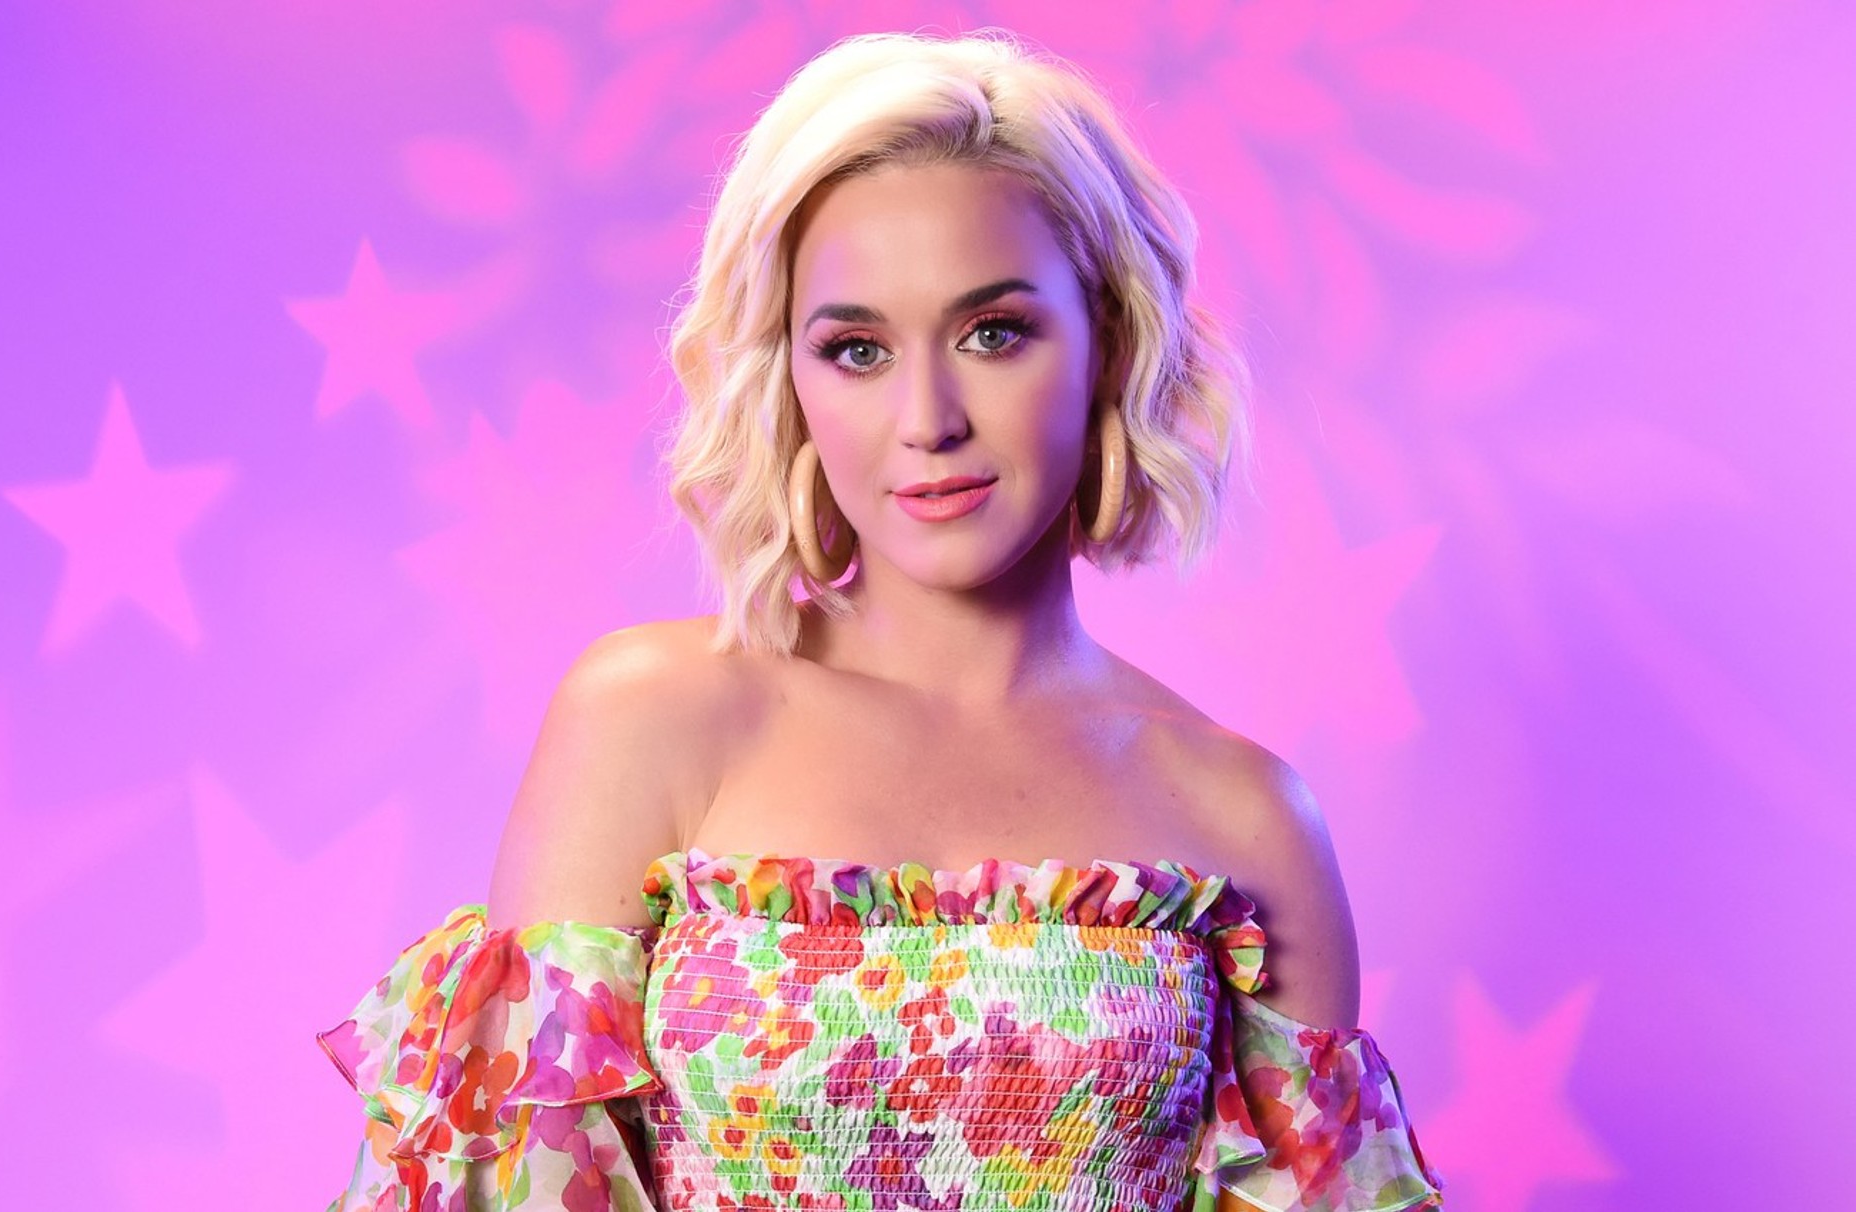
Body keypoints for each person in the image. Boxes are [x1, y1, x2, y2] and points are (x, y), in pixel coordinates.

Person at [316, 29, 1445, 1212]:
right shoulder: (651, 721)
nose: (926, 418)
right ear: (789, 377)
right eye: (855, 349)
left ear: (1108, 342)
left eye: (993, 332)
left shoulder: (1245, 819)